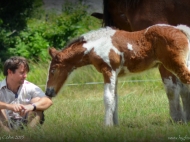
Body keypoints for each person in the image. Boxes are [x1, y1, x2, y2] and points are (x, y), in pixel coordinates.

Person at [0, 56, 52, 131]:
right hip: (4, 123)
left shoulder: (30, 87)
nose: (25, 76)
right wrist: (8, 106)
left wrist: (32, 106)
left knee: (37, 100)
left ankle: (28, 135)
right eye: (22, 73)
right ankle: (10, 137)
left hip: (25, 122)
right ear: (10, 72)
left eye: (26, 73)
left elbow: (48, 101)